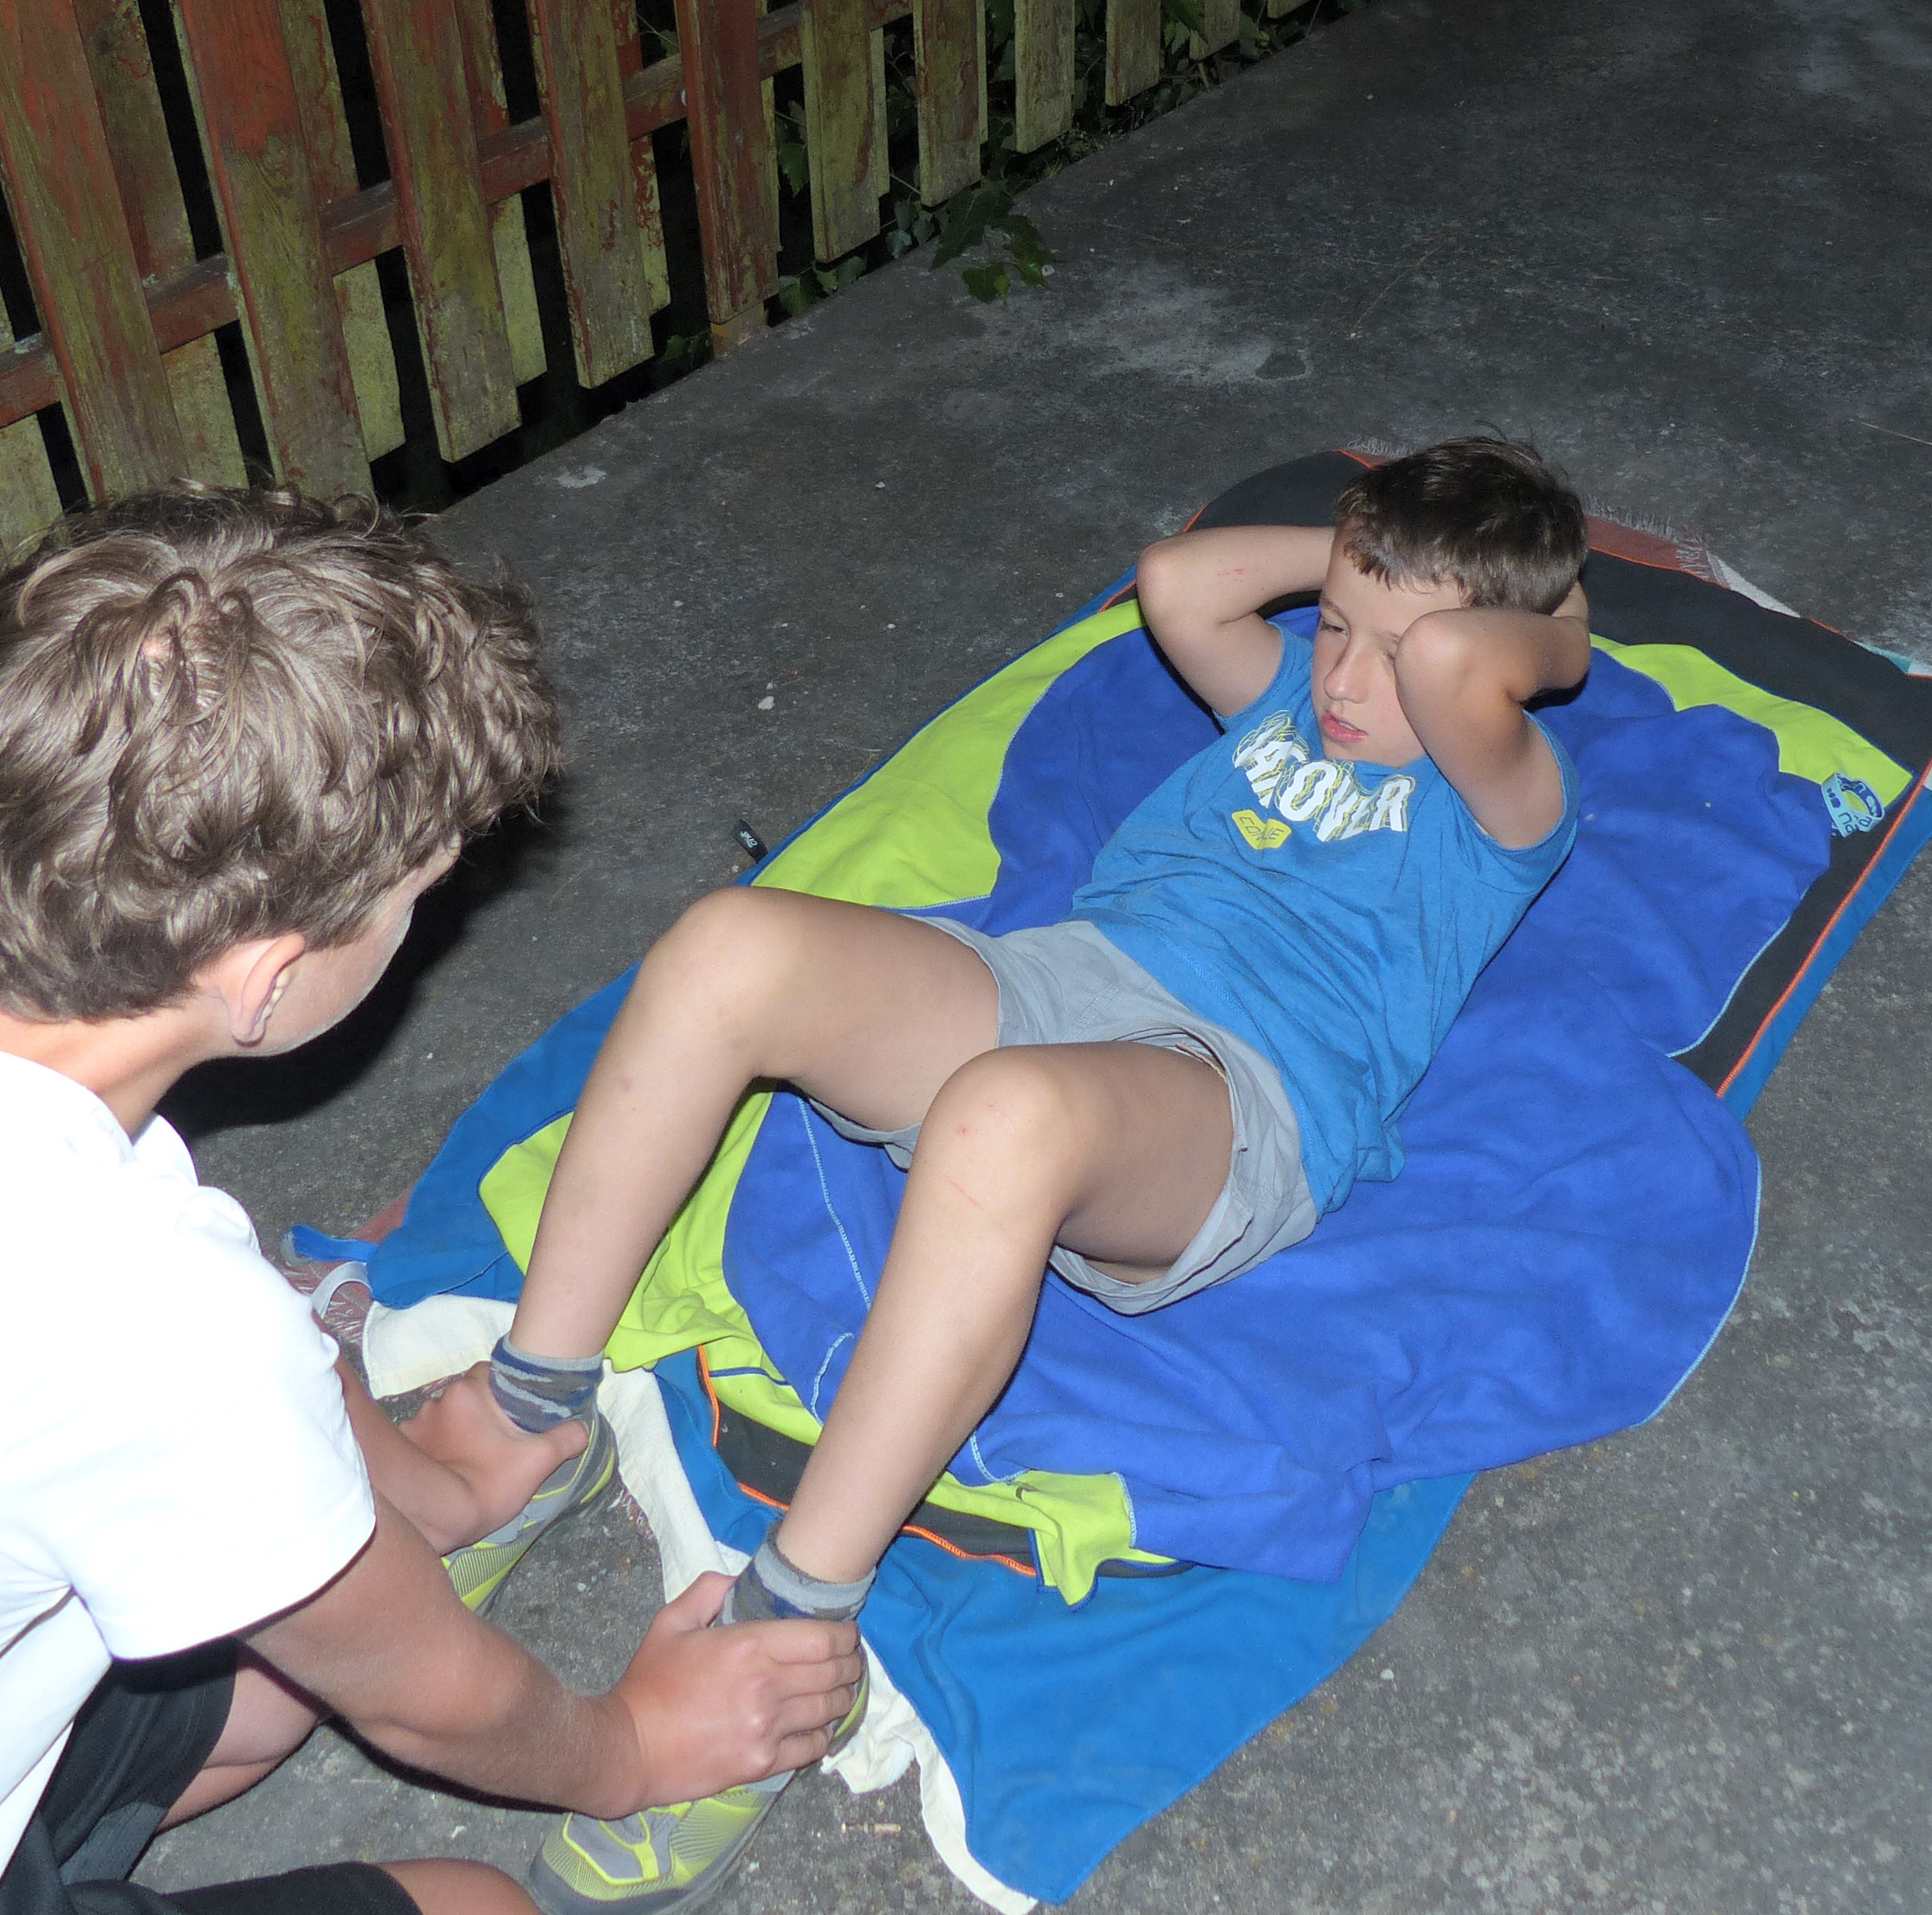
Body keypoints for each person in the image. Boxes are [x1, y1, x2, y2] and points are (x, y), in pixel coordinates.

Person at [0, 489, 861, 1915]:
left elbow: (198, 1310)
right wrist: (635, 1748)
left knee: (267, 1692)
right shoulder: (139, 1333)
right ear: (266, 978)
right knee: (474, 1902)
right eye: (414, 898)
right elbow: (423, 1699)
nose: (422, 924)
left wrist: (434, 1494)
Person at [413, 438, 1595, 1913]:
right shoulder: (1288, 701)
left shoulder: (1499, 803)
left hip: (1235, 1096)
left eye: (1394, 653)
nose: (1348, 678)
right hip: (1059, 981)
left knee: (1002, 1120)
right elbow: (1176, 577)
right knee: (730, 945)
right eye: (1335, 628)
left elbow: (1474, 666)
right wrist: (1360, 558)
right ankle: (529, 1420)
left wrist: (1546, 627)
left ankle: (791, 1629)